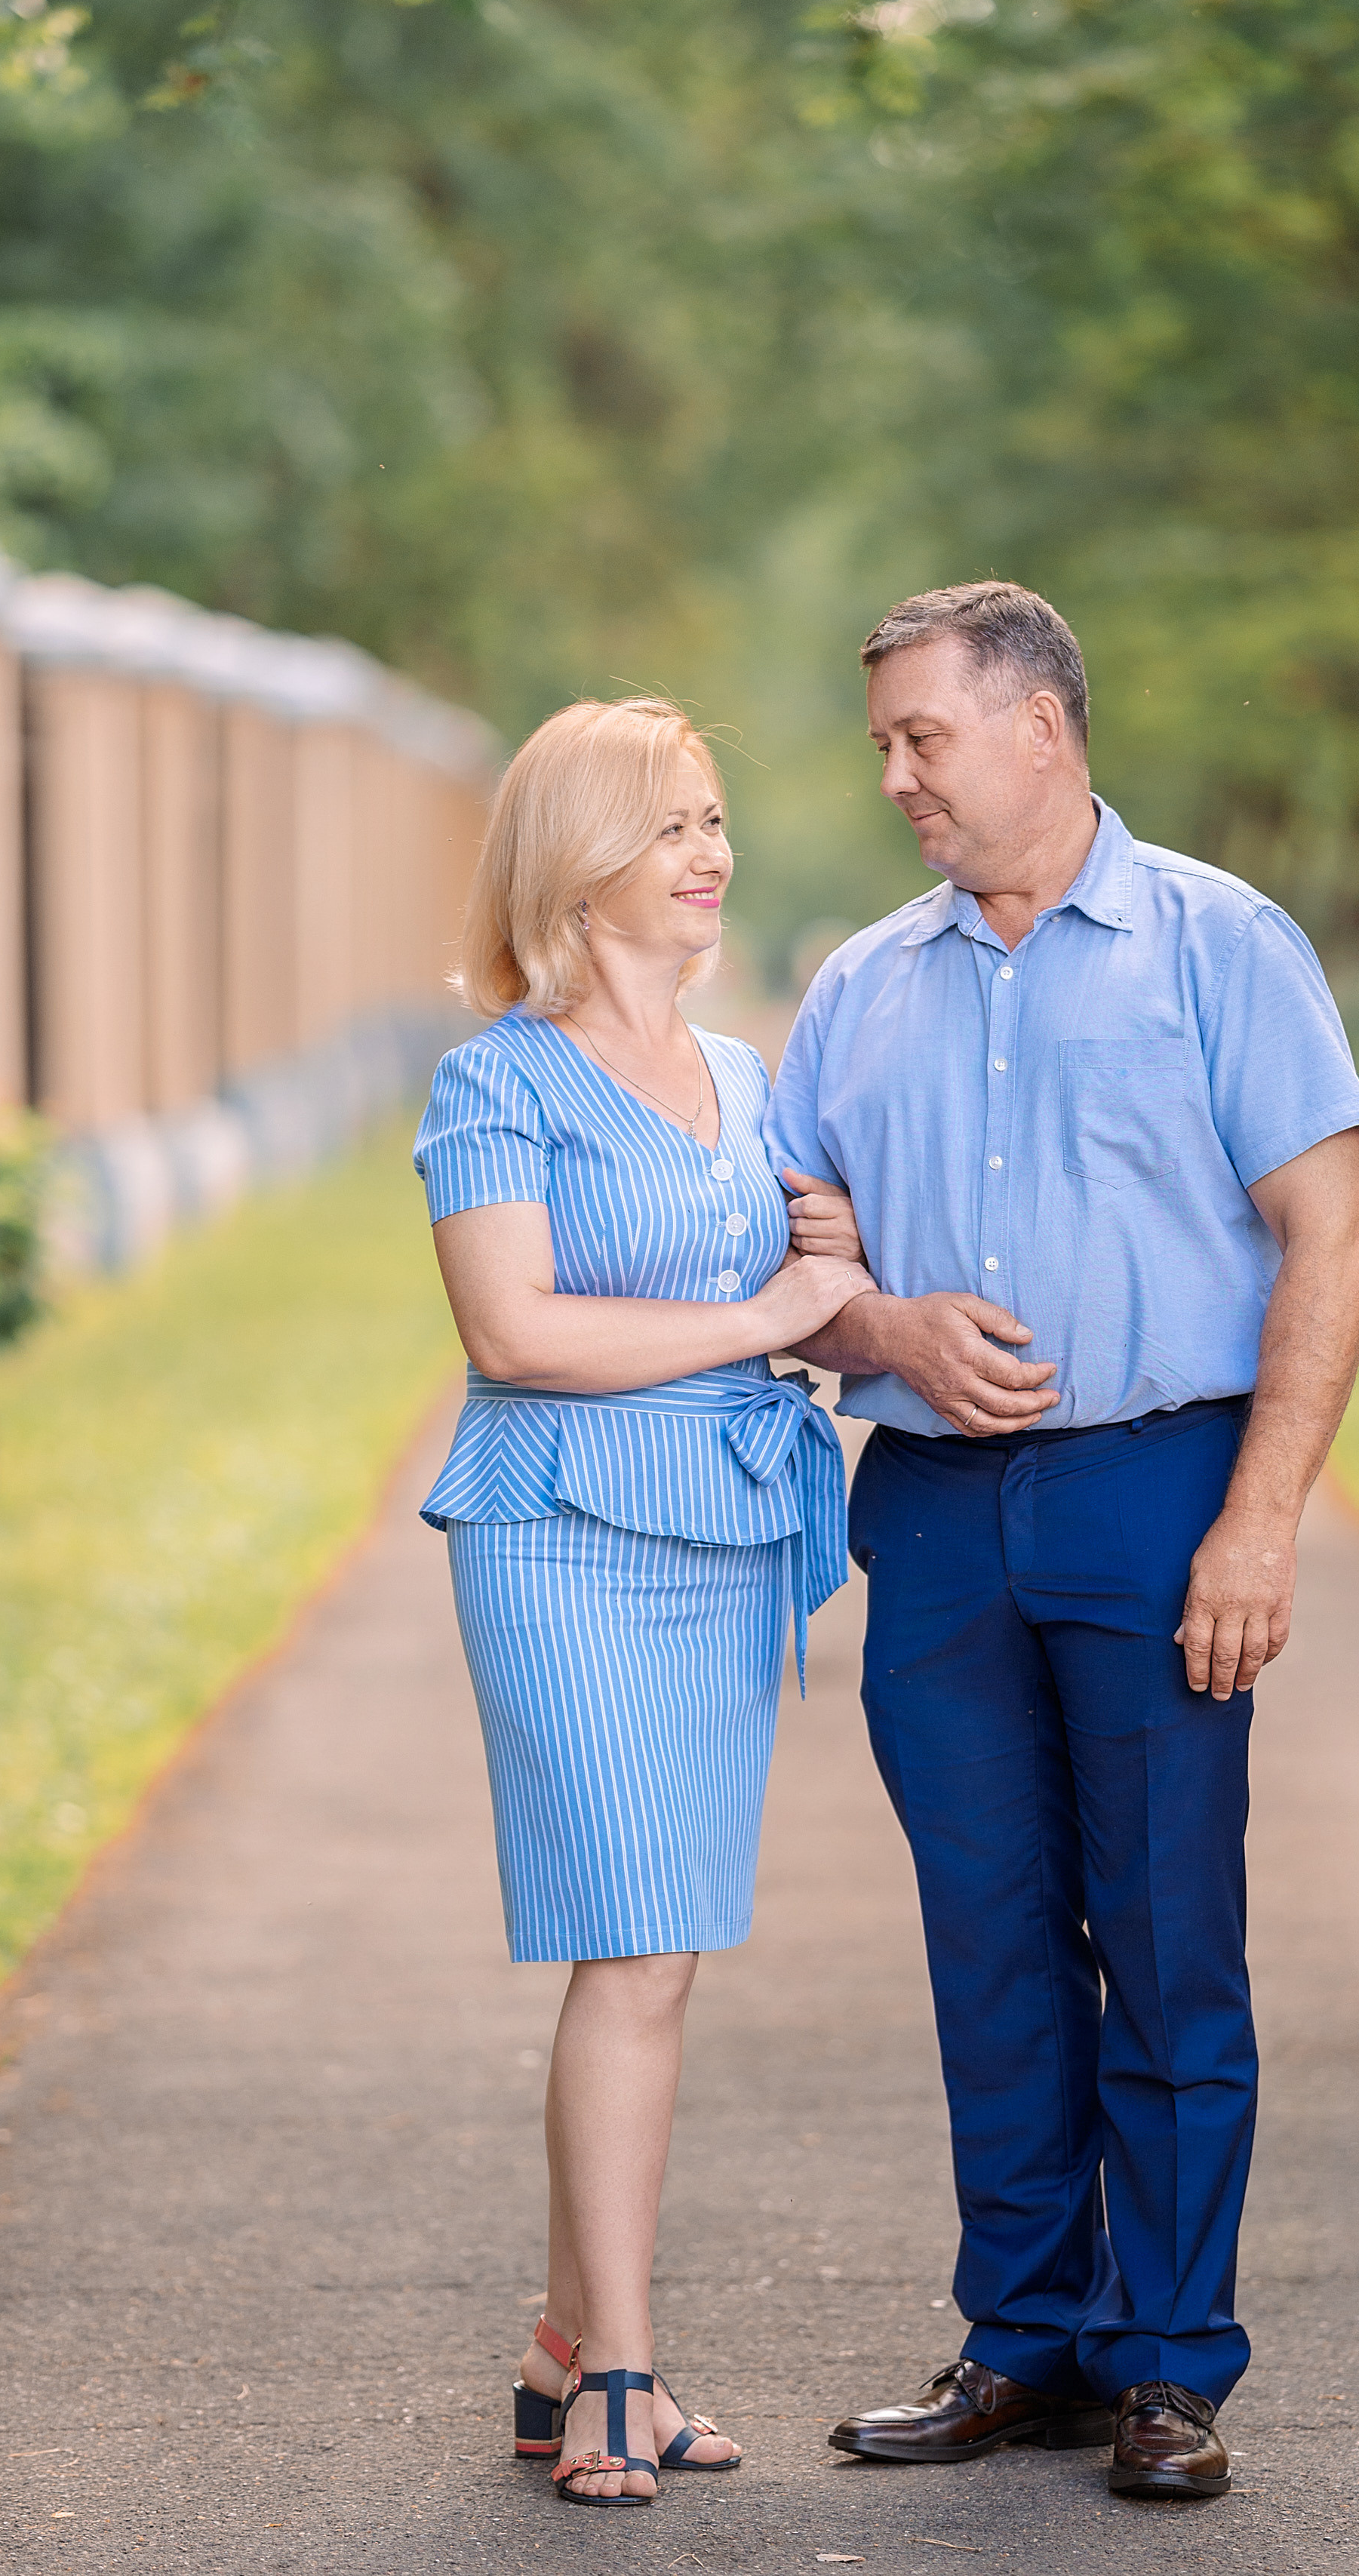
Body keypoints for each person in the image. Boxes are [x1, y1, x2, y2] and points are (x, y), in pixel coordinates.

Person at [767, 582, 1359, 2501]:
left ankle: (1172, 2360)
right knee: (994, 1941)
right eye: (881, 743)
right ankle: (1024, 2334)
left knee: (1169, 1937)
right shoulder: (862, 984)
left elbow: (1332, 1237)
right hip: (938, 1515)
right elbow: (802, 1259)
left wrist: (1258, 1522)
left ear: (1040, 725)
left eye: (919, 738)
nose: (894, 778)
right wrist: (885, 1328)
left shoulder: (1224, 945)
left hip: (1157, 1489)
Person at [413, 697, 872, 2510]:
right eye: (669, 823)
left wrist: (824, 1271)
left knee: (658, 1946)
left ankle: (558, 2343)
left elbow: (809, 1265)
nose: (710, 852)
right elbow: (512, 1330)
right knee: (629, 1942)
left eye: (714, 817)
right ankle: (620, 2370)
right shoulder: (497, 1082)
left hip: (729, 1529)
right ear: (576, 860)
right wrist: (767, 1316)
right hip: (565, 1531)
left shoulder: (747, 1077)